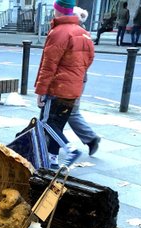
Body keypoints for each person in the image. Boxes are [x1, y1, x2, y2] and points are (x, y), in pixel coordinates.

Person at [34, 0, 95, 169]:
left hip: (57, 88)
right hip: (74, 89)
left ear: (58, 10)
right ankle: (52, 160)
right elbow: (89, 60)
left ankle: (70, 149)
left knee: (45, 123)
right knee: (58, 125)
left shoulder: (58, 32)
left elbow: (48, 65)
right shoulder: (84, 33)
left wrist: (40, 91)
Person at [69, 6, 101, 156]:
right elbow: (90, 59)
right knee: (62, 112)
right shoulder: (86, 35)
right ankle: (48, 142)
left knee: (69, 112)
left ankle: (90, 138)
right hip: (79, 78)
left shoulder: (73, 34)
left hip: (71, 80)